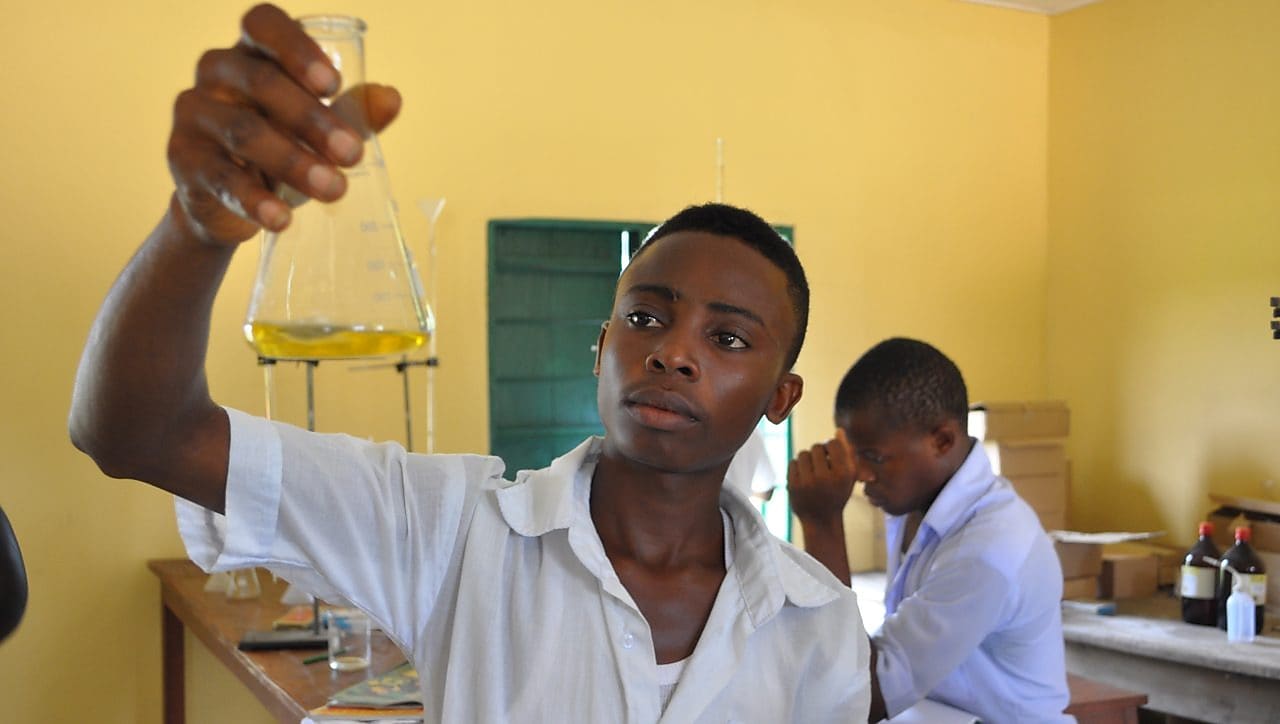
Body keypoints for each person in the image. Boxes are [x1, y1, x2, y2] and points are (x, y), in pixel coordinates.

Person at [67, 5, 869, 721]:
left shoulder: (817, 620)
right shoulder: (453, 529)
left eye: (728, 338)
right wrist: (198, 226)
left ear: (781, 395)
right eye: (646, 317)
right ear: (601, 348)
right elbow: (140, 435)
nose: (672, 352)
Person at [788, 338, 1070, 723]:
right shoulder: (912, 503)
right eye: (854, 456)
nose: (861, 475)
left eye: (873, 457)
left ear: (942, 440)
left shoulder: (988, 550)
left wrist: (822, 524)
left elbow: (859, 696)